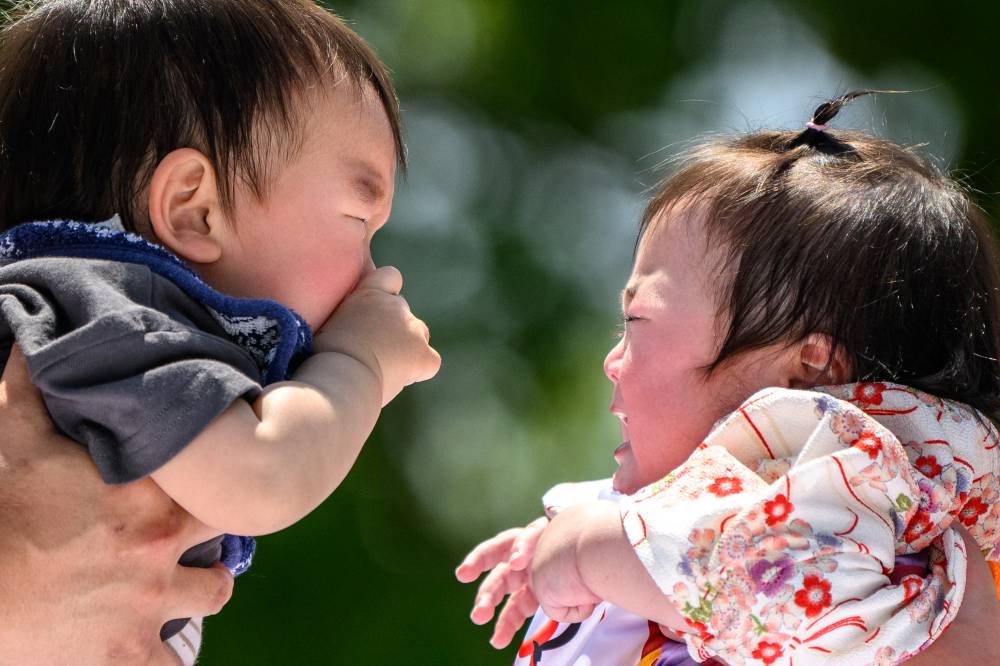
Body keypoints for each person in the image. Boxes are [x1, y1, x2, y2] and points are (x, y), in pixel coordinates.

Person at [458, 91, 1000, 665]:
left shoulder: (854, 512)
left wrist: (586, 549)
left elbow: (780, 594)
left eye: (637, 320)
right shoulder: (675, 518)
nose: (611, 361)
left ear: (806, 375)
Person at [0, 0, 439, 662]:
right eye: (357, 219)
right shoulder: (102, 311)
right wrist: (361, 362)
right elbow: (267, 474)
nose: (374, 275)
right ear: (193, 210)